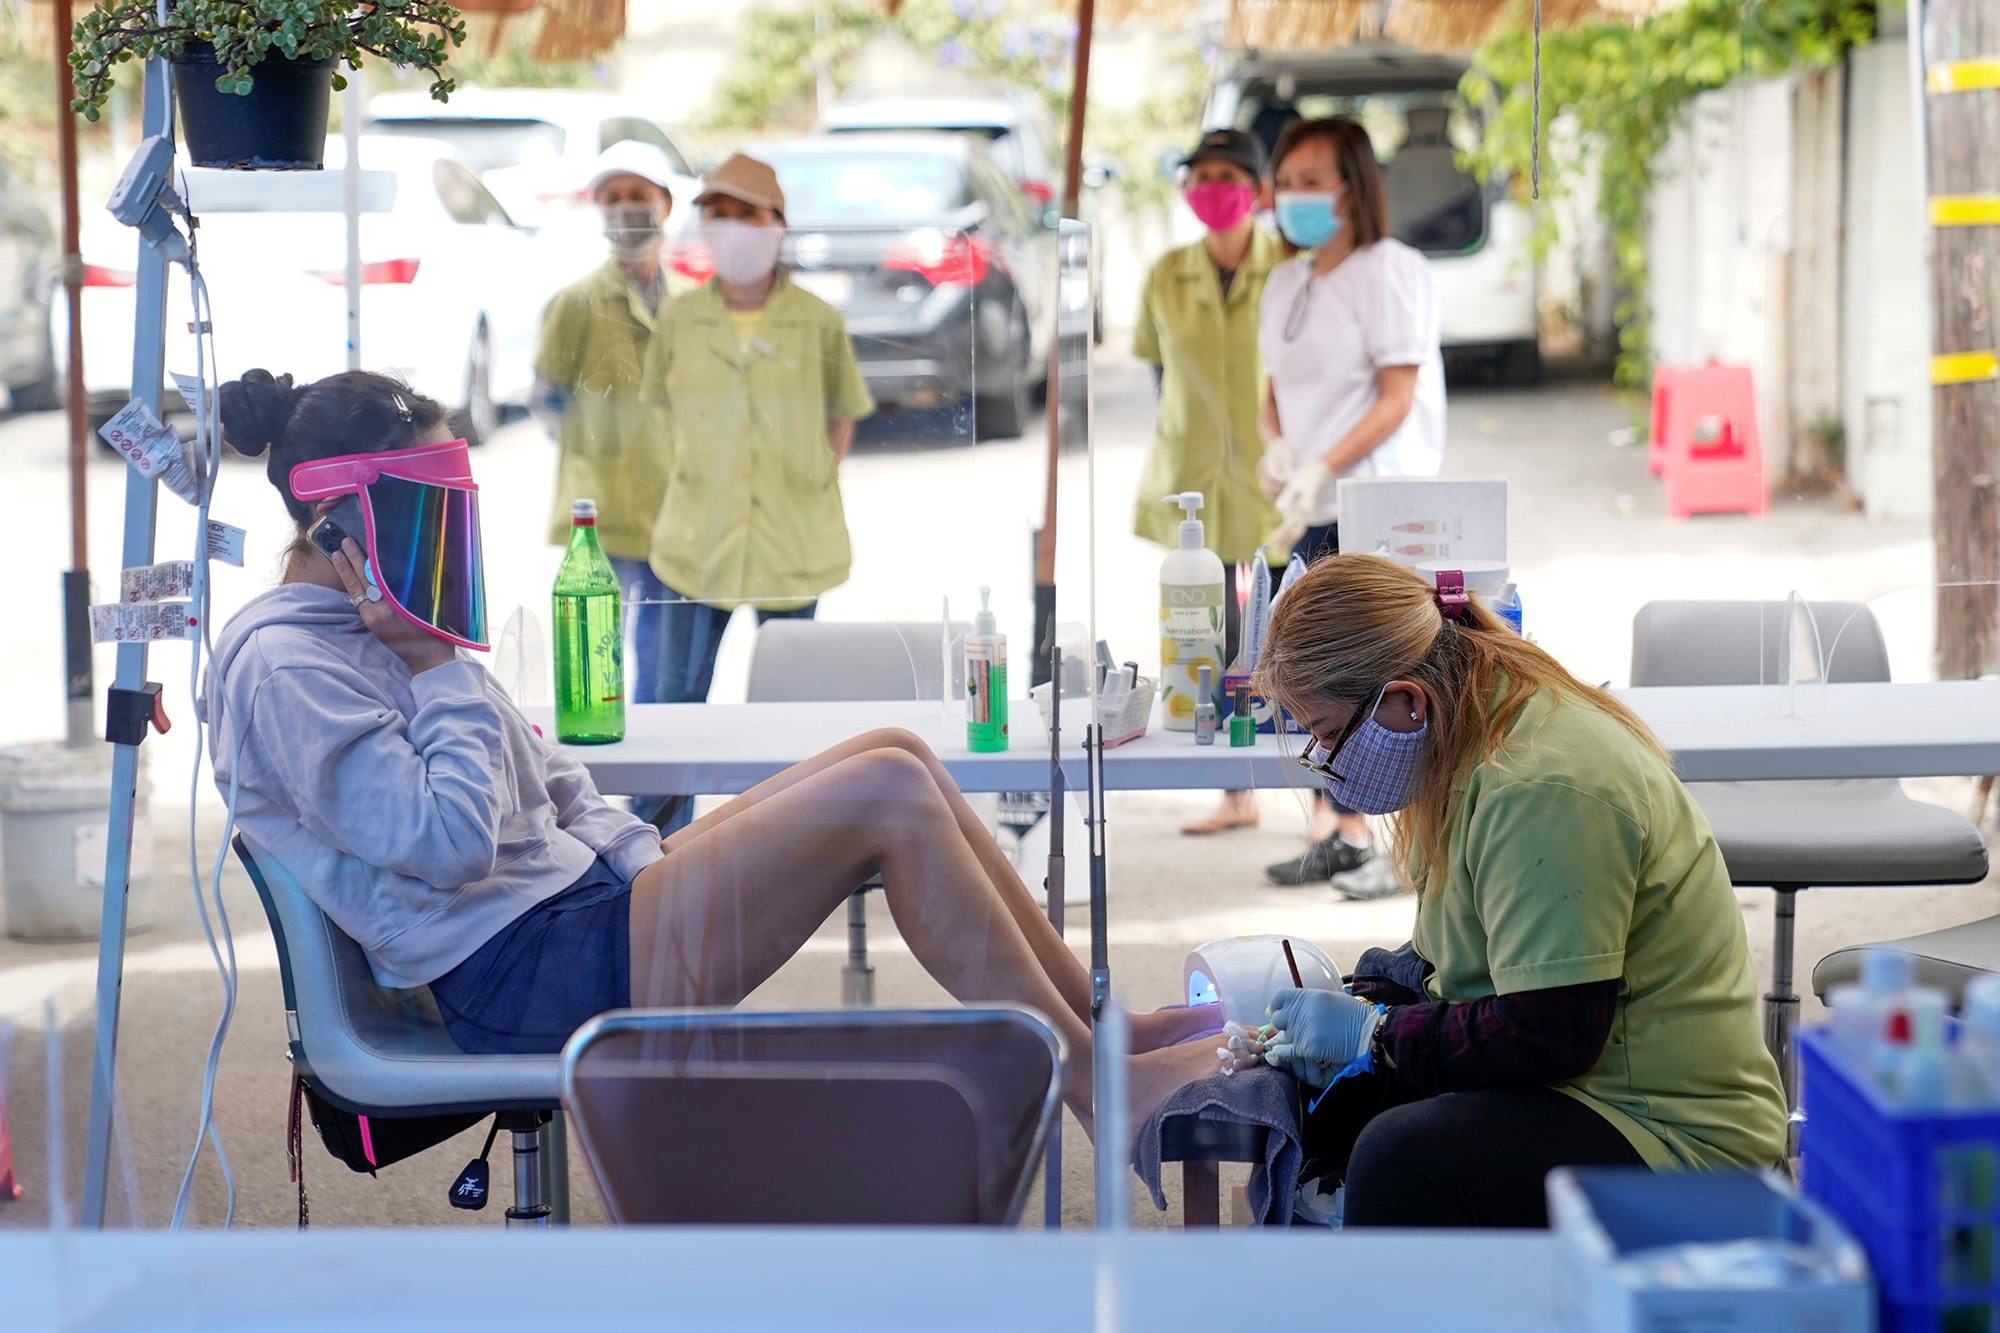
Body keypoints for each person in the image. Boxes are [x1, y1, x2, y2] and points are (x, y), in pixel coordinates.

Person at [205, 367, 1222, 1136]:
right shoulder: (292, 666)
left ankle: (1093, 1030)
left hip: (574, 917)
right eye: (425, 505)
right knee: (884, 795)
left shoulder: (379, 621)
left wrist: (648, 862)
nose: (447, 532)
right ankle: (1103, 1094)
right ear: (342, 519)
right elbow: (448, 844)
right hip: (517, 976)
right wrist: (431, 665)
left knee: (894, 753)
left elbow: (551, 776)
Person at [1237, 554, 1786, 1226]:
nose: (1324, 763)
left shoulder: (1539, 784)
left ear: (1405, 701)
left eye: (1325, 734)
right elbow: (1463, 962)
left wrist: (1378, 1035)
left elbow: (1551, 1031)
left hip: (1672, 1130)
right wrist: (1369, 999)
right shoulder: (1464, 737)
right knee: (1325, 1108)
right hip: (1585, 1083)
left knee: (1401, 1157)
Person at [640, 152, 874, 834]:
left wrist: (813, 474)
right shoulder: (680, 321)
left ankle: (788, 847)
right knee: (671, 713)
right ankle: (653, 854)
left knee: (792, 713)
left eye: (749, 213)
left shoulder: (818, 320)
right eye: (719, 213)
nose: (733, 227)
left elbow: (844, 409)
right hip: (696, 540)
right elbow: (659, 410)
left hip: (793, 539)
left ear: (779, 226)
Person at [1255, 116, 1446, 898]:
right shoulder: (1286, 280)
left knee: (1380, 683)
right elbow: (1275, 391)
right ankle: (1336, 829)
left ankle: (1405, 849)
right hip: (1305, 500)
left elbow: (1397, 397)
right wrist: (1277, 447)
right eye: (1287, 180)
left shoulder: (1388, 269)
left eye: (1312, 180)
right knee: (1301, 673)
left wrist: (1324, 466)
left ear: (1352, 187)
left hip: (1373, 504)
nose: (1294, 195)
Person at [1133, 128, 1287, 838]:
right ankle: (1235, 790)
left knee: (1294, 628)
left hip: (1275, 469)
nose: (1212, 186)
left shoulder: (1290, 264)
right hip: (1192, 467)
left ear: (1257, 189)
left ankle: (1324, 802)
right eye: (1200, 174)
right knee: (1211, 634)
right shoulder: (1166, 274)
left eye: (1228, 173)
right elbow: (1155, 367)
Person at [533, 140, 692, 825]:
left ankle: (664, 835)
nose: (628, 210)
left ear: (667, 206)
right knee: (599, 679)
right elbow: (547, 397)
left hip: (680, 518)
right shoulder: (574, 303)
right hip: (602, 519)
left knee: (670, 683)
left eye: (640, 196)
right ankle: (612, 836)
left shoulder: (692, 306)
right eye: (613, 197)